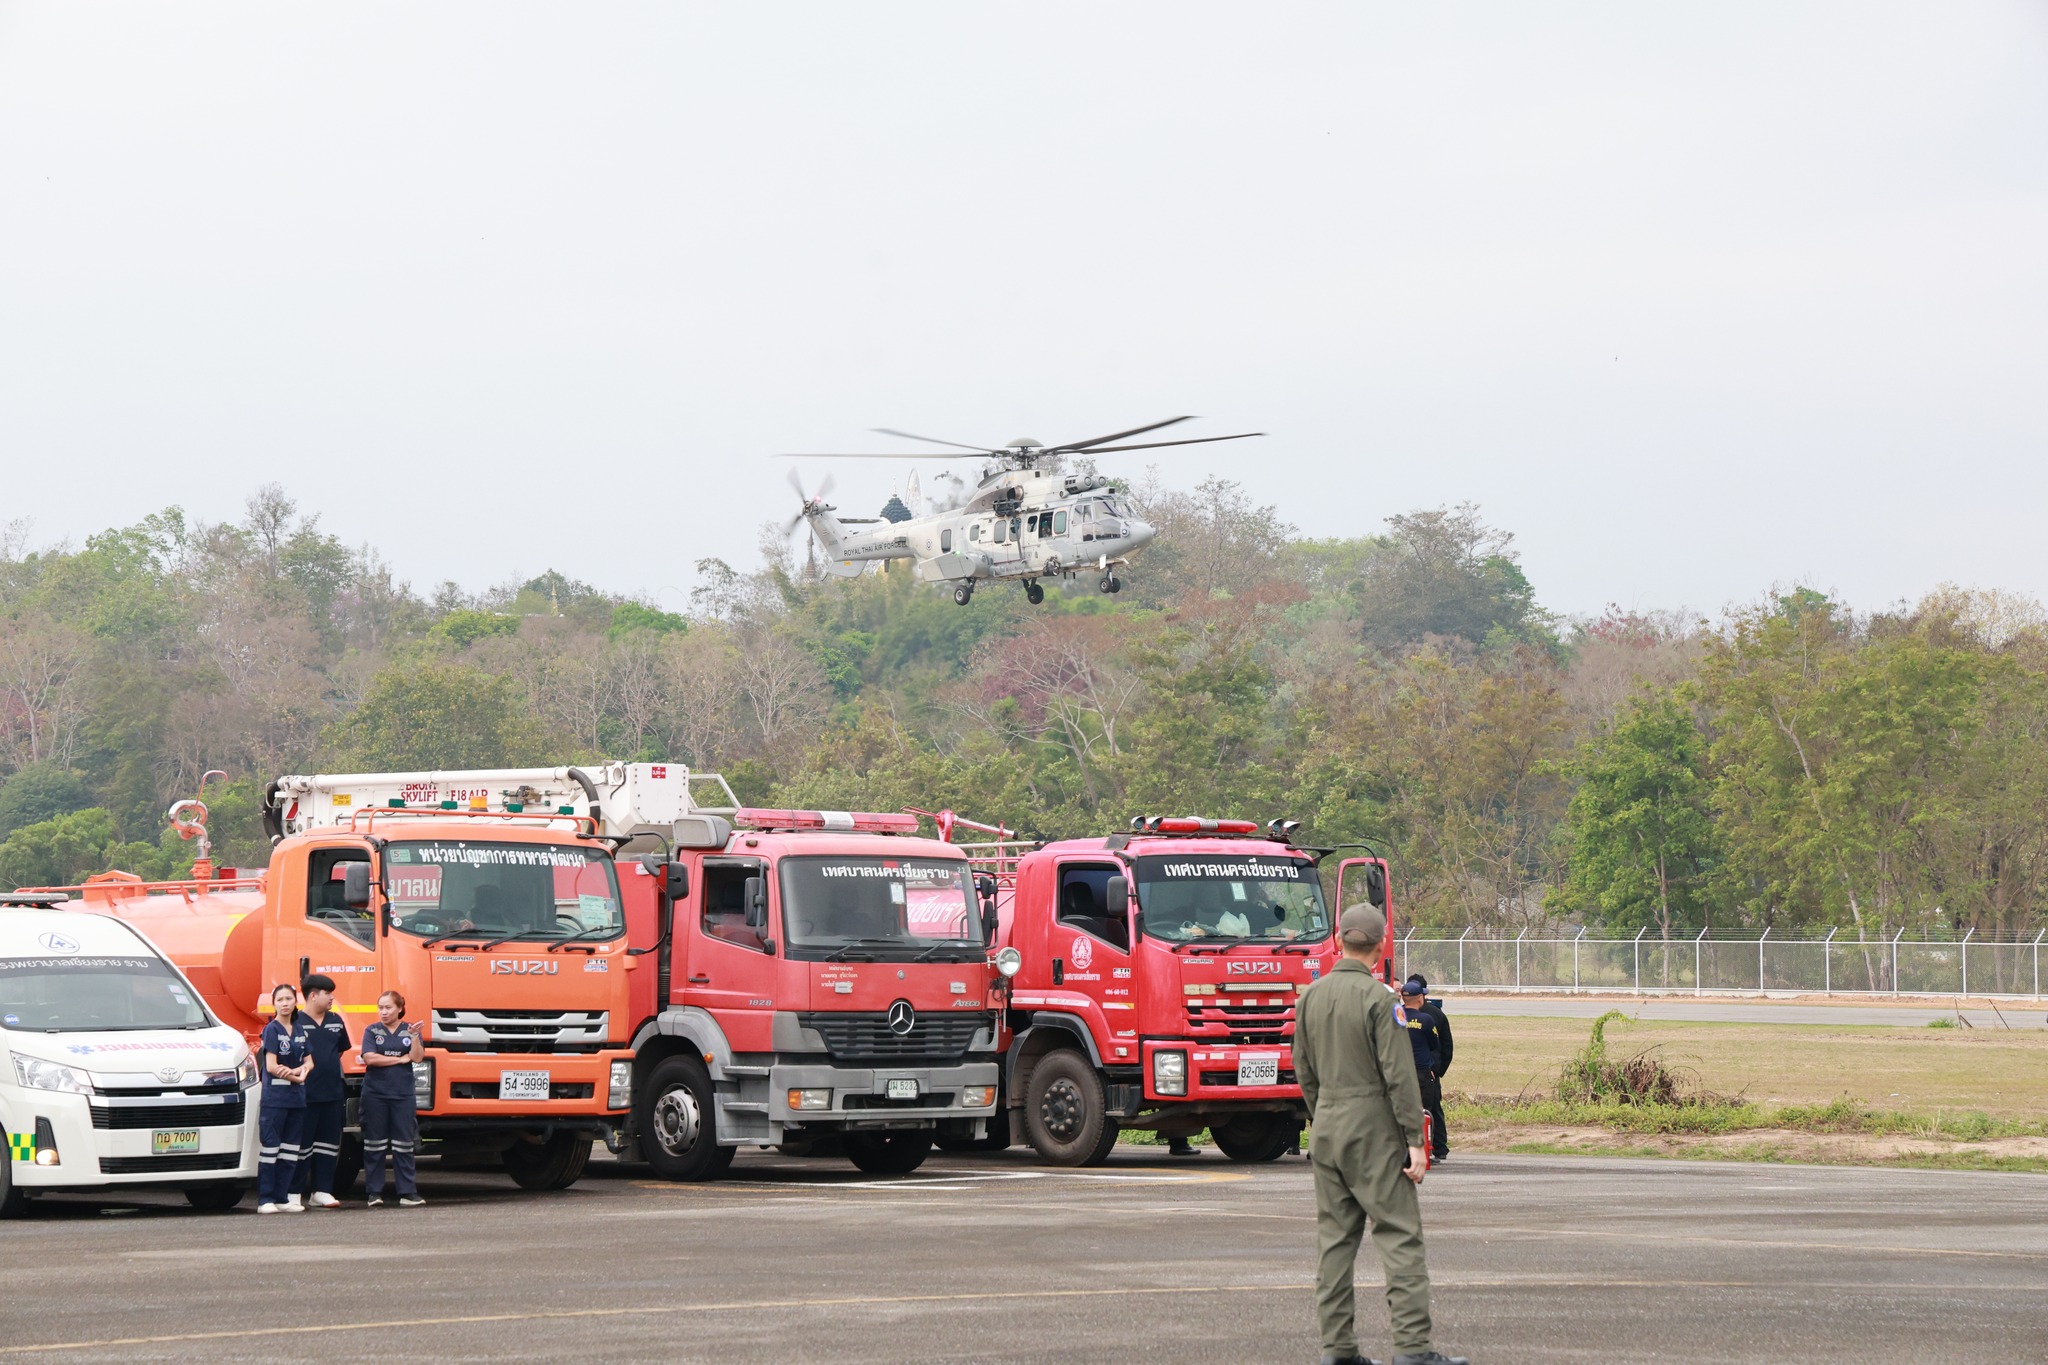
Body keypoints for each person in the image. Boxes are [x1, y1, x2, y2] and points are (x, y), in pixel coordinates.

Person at [1295, 906, 1466, 1365]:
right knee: (1399, 1235)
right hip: (1373, 1130)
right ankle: (1412, 1348)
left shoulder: (1310, 997)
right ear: (1379, 946)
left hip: (1327, 1128)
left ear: (1337, 941)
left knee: (1335, 1243)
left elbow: (1303, 1069)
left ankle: (1338, 1349)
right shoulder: (1381, 1000)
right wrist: (1415, 1139)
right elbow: (1399, 1074)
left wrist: (1323, 1114)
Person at [358, 989, 425, 1208]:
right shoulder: (372, 1030)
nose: (384, 1012)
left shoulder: (410, 1029)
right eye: (380, 1008)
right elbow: (370, 1058)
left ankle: (408, 1192)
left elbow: (417, 1057)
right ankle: (374, 1192)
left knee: (404, 1145)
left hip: (403, 1095)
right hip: (375, 1094)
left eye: (388, 1007)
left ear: (399, 1008)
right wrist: (399, 1059)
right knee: (374, 1145)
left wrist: (414, 1038)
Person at [295, 974, 352, 1209]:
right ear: (313, 995)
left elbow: (339, 1051)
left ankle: (322, 1191)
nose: (332, 998)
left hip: (332, 1094)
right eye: (328, 993)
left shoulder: (336, 1020)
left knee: (328, 1145)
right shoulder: (296, 1022)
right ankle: (293, 1191)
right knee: (302, 1146)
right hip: (304, 1095)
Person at [257, 983, 314, 1214]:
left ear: (295, 1001)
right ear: (274, 1004)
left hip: (296, 1099)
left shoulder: (300, 1030)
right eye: (279, 1000)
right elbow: (272, 1066)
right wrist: (296, 1076)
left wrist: (303, 1070)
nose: (284, 1003)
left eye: (288, 999)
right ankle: (265, 1199)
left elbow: (310, 1061)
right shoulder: (271, 1029)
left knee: (290, 1150)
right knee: (271, 1149)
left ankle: (282, 1198)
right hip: (275, 1100)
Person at [1403, 975, 1453, 1164]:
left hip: (1401, 1071)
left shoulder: (1394, 1015)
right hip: (1425, 1071)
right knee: (1428, 1111)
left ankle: (1403, 1151)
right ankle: (1431, 1149)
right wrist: (1438, 1070)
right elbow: (1440, 1044)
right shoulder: (1431, 1016)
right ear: (1420, 996)